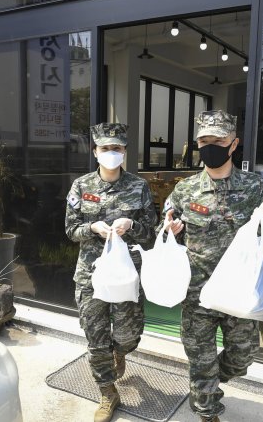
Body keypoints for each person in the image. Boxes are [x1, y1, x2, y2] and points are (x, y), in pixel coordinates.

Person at [159, 110, 263, 422]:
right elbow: (165, 226)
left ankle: (207, 382)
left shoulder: (255, 187)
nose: (210, 146)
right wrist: (171, 229)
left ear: (234, 144)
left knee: (243, 356)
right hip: (197, 292)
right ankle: (207, 408)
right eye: (204, 140)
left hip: (240, 292)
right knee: (199, 359)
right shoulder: (185, 189)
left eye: (218, 140)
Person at [65, 122, 157, 422]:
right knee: (95, 338)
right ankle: (107, 392)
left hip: (126, 275)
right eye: (105, 148)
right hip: (90, 275)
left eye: (116, 148)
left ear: (124, 152)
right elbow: (70, 229)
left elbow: (151, 235)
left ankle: (120, 352)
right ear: (95, 151)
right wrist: (91, 227)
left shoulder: (138, 187)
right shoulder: (82, 186)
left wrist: (132, 225)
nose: (111, 153)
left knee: (129, 335)